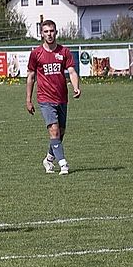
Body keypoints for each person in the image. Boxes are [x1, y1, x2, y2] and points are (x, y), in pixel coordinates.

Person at [26, 19, 80, 176]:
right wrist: (28, 99)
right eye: (46, 31)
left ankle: (49, 159)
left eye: (52, 31)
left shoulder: (64, 52)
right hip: (45, 99)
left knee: (60, 132)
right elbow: (30, 77)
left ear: (56, 32)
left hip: (62, 98)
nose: (49, 34)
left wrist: (76, 87)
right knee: (54, 130)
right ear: (41, 34)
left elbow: (71, 72)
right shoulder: (36, 54)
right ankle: (63, 164)